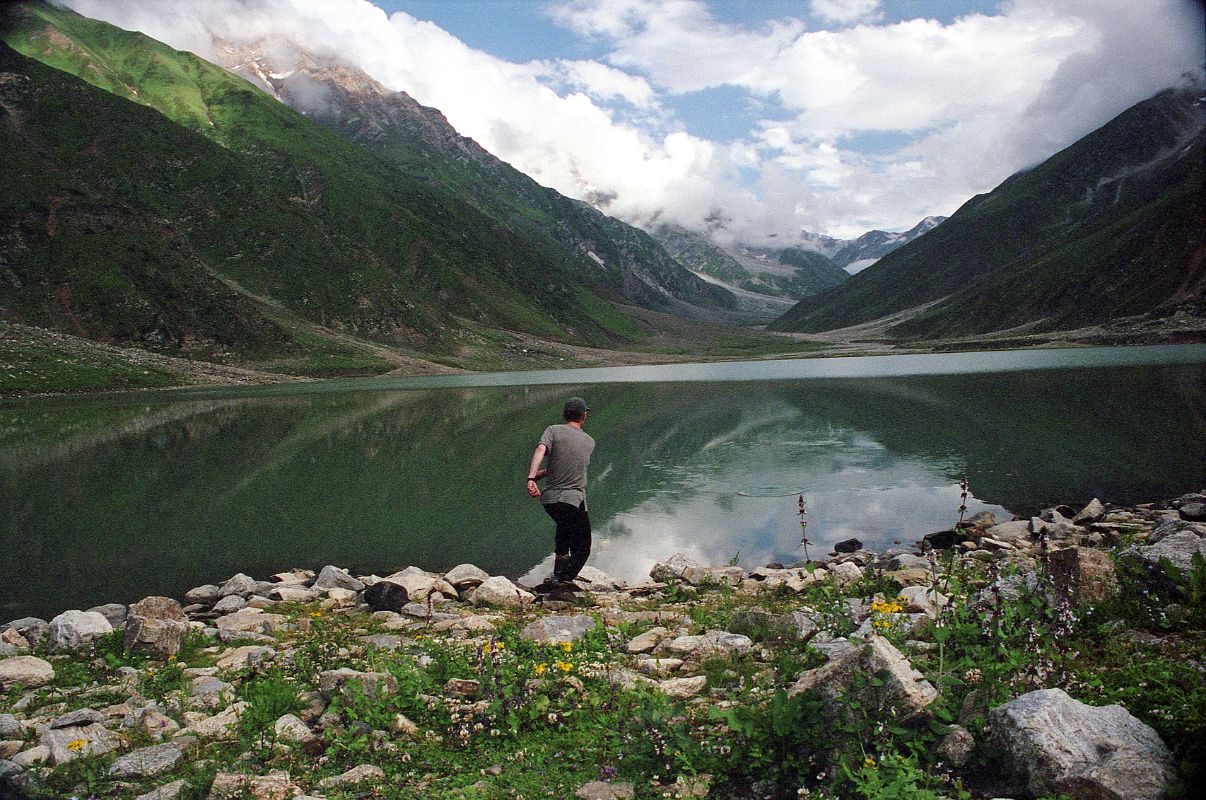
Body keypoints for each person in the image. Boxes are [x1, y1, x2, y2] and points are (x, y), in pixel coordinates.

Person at [526, 397, 595, 593]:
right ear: (584, 416)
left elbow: (543, 451)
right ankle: (563, 582)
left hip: (550, 500)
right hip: (573, 500)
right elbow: (573, 466)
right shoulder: (589, 442)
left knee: (564, 529)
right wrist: (535, 477)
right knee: (583, 547)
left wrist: (533, 477)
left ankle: (558, 571)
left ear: (564, 415)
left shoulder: (553, 430)